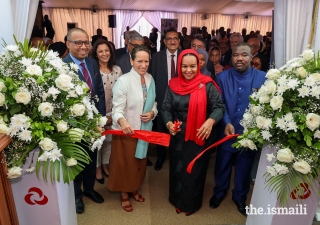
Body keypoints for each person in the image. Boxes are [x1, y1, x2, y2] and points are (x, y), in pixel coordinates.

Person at [162, 49, 224, 216]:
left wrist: (210, 121)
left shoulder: (207, 84)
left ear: (199, 65)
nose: (188, 70)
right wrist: (168, 124)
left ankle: (190, 204)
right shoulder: (172, 84)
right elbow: (166, 108)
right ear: (179, 66)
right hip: (178, 135)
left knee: (195, 171)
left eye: (192, 66)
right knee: (177, 169)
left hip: (198, 134)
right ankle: (176, 200)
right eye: (184, 66)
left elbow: (219, 107)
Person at [210, 42, 266, 216]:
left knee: (244, 166)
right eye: (235, 55)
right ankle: (219, 191)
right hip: (227, 130)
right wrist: (226, 121)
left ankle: (240, 197)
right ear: (231, 57)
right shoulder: (222, 78)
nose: (239, 58)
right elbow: (220, 103)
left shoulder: (263, 78)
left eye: (244, 55)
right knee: (222, 164)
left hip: (250, 133)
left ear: (251, 57)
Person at [107, 45, 157, 212]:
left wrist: (152, 113)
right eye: (139, 61)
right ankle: (124, 193)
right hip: (127, 132)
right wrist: (123, 123)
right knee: (125, 164)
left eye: (146, 61)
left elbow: (154, 103)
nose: (143, 65)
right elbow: (117, 109)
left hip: (144, 131)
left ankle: (134, 188)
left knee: (139, 163)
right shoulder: (124, 81)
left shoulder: (150, 79)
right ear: (131, 61)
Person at [63, 28, 106, 214]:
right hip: (74, 127)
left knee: (91, 160)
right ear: (68, 44)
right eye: (78, 42)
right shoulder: (60, 67)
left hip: (94, 124)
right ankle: (76, 196)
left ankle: (89, 190)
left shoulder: (92, 63)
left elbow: (100, 93)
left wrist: (101, 118)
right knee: (77, 163)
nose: (83, 46)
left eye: (86, 42)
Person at [149, 29, 182, 171]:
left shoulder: (185, 56)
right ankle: (161, 156)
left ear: (179, 41)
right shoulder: (156, 57)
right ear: (164, 41)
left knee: (179, 128)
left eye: (175, 38)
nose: (172, 41)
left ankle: (177, 157)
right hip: (162, 98)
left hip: (181, 100)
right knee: (161, 129)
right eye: (169, 39)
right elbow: (152, 79)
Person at [92, 39, 122, 184]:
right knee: (98, 141)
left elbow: (121, 94)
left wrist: (113, 115)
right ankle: (97, 167)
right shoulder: (93, 71)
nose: (104, 54)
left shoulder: (117, 69)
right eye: (100, 51)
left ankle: (105, 164)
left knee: (109, 141)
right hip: (97, 113)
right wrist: (102, 116)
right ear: (96, 54)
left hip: (113, 112)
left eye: (107, 50)